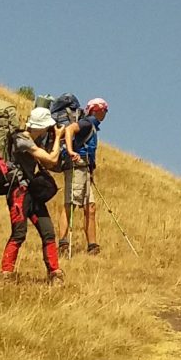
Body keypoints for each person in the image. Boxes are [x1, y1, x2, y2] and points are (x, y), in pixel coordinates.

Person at [1, 107, 65, 285]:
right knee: (19, 233)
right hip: (19, 193)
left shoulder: (34, 140)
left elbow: (52, 163)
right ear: (42, 126)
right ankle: (6, 273)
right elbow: (51, 160)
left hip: (32, 192)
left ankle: (55, 273)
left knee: (48, 232)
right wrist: (59, 137)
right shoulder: (22, 139)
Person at [57, 97, 108, 256]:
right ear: (97, 110)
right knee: (70, 205)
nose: (106, 113)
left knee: (90, 208)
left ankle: (92, 246)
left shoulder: (91, 124)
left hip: (84, 169)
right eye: (104, 110)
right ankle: (63, 244)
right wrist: (72, 152)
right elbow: (70, 129)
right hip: (77, 167)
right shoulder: (88, 122)